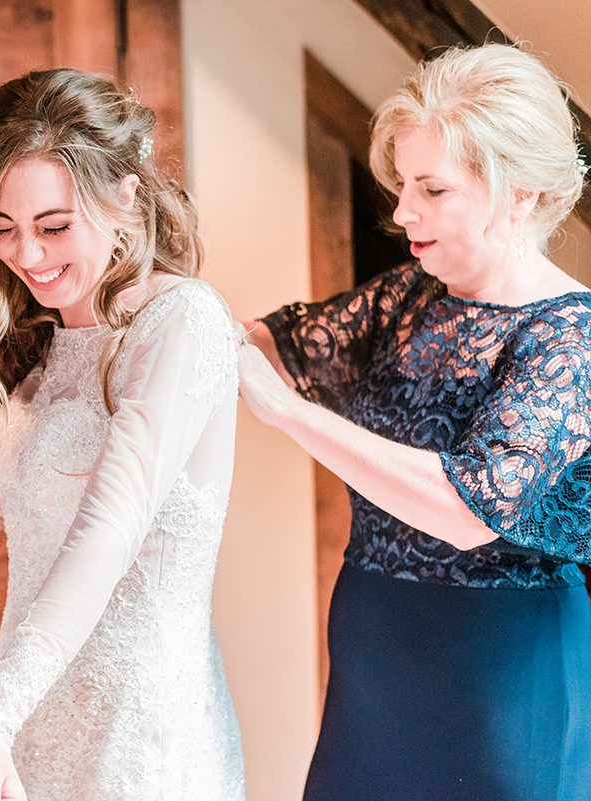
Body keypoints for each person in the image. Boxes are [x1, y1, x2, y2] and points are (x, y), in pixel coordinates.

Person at [0, 70, 246, 801]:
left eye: (53, 226)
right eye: (4, 229)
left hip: (138, 732)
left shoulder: (182, 322)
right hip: (37, 715)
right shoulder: (51, 332)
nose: (28, 256)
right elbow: (4, 487)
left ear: (125, 195)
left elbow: (111, 519)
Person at [238, 44, 591, 800]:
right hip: (373, 635)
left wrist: (289, 415)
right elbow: (272, 346)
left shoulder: (570, 338)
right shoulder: (411, 295)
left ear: (520, 193)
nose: (402, 213)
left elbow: (468, 508)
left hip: (501, 670)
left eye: (432, 189)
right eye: (403, 185)